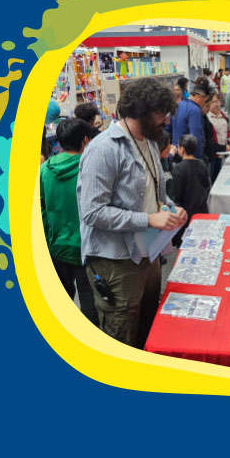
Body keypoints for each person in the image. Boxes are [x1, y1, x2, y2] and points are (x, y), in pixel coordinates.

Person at [77, 78, 188, 348]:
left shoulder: (149, 142)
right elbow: (92, 212)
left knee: (147, 327)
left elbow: (152, 190)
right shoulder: (103, 150)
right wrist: (148, 219)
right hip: (116, 260)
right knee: (121, 336)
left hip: (147, 252)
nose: (166, 120)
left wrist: (170, 207)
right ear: (142, 111)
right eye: (161, 114)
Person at [40, 118, 98, 325]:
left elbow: (41, 208)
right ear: (85, 140)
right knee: (90, 304)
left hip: (56, 247)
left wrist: (49, 237)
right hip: (86, 249)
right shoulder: (90, 168)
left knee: (60, 305)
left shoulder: (45, 169)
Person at [171, 134, 211, 245]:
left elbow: (177, 195)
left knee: (186, 244)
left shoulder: (178, 169)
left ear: (182, 149)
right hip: (202, 211)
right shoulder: (202, 164)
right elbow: (207, 186)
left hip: (186, 215)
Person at [205, 94, 230, 182]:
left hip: (223, 151)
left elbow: (227, 130)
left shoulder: (222, 115)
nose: (215, 104)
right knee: (212, 178)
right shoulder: (207, 117)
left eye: (216, 101)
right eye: (212, 102)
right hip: (213, 152)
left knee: (220, 178)